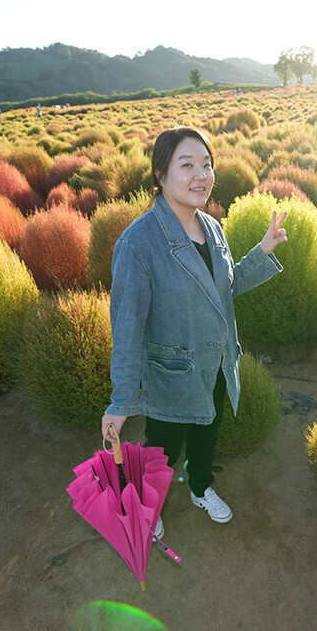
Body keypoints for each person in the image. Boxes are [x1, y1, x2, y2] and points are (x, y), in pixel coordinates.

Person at [101, 126, 288, 539]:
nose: (200, 174)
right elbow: (127, 329)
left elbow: (225, 287)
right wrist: (121, 400)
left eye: (207, 165)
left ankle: (201, 486)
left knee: (208, 432)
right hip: (171, 372)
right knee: (161, 449)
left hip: (216, 361)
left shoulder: (212, 227)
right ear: (160, 174)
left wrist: (263, 251)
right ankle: (148, 507)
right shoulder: (138, 243)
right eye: (187, 165)